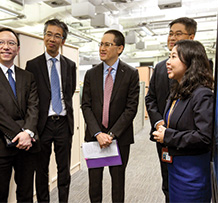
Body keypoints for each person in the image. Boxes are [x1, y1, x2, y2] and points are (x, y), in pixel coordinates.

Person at [0, 28, 39, 203]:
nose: (6, 47)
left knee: (26, 194)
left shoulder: (28, 76)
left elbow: (34, 107)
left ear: (18, 49)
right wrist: (20, 135)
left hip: (27, 145)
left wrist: (28, 133)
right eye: (1, 43)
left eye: (11, 43)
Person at [81, 30, 139, 203]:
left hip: (120, 138)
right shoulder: (91, 74)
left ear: (119, 48)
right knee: (95, 184)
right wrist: (98, 133)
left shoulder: (130, 73)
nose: (102, 48)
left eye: (107, 44)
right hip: (94, 137)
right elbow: (86, 106)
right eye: (101, 44)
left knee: (118, 183)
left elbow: (131, 108)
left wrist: (112, 135)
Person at [153, 40, 213, 202]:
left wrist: (168, 136)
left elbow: (204, 137)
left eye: (173, 56)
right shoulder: (178, 92)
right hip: (174, 169)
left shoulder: (202, 95)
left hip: (191, 174)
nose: (168, 62)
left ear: (189, 61)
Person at [145, 17, 197, 202]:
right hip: (163, 137)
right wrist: (159, 123)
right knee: (167, 181)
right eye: (170, 33)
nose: (172, 37)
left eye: (178, 33)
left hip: (189, 139)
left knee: (187, 186)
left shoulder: (201, 66)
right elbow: (150, 98)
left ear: (191, 37)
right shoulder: (160, 68)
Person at [25, 19, 76, 202]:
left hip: (63, 123)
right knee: (42, 170)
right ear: (44, 36)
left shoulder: (70, 65)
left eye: (57, 36)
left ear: (63, 40)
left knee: (64, 170)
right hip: (42, 125)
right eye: (49, 34)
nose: (52, 39)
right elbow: (31, 97)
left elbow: (68, 94)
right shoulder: (33, 65)